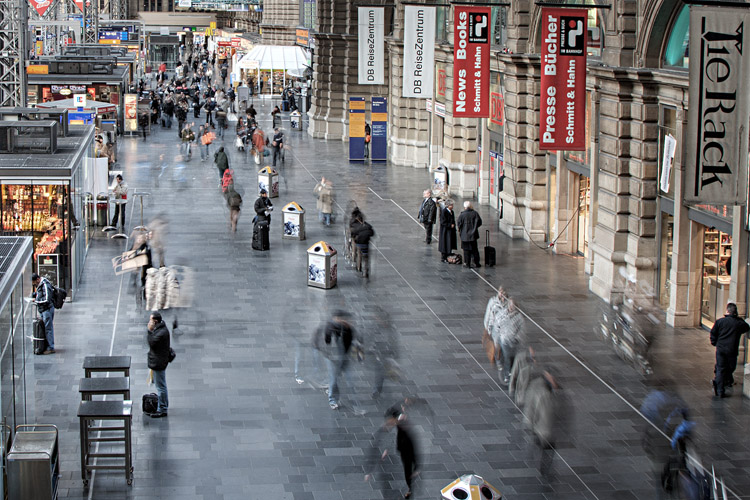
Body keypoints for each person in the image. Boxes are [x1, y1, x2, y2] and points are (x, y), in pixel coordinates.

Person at [365, 406, 419, 498]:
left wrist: (417, 466)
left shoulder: (403, 429)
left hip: (399, 466)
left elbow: (411, 447)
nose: (388, 422)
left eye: (390, 420)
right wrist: (369, 470)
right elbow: (373, 449)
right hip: (390, 468)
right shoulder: (384, 431)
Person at [313, 310, 362, 411]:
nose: (345, 321)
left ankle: (356, 404)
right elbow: (326, 342)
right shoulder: (330, 327)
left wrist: (358, 356)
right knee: (334, 379)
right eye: (341, 319)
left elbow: (356, 341)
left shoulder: (349, 328)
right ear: (336, 319)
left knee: (349, 379)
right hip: (333, 358)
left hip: (345, 356)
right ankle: (333, 400)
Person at [710, 302, 749, 397]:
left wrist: (715, 343)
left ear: (727, 311)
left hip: (721, 349)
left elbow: (713, 333)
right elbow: (746, 327)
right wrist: (738, 317)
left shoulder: (720, 322)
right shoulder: (738, 323)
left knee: (721, 368)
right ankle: (721, 385)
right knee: (730, 367)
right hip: (732, 350)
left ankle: (719, 388)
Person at [146, 312, 171, 418]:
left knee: (160, 386)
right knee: (161, 384)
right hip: (158, 360)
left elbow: (151, 342)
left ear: (155, 321)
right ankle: (164, 404)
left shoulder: (161, 332)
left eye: (151, 320)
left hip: (158, 362)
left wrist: (149, 331)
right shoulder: (161, 329)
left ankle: (162, 408)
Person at [31, 273, 55, 354]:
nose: (34, 284)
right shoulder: (40, 285)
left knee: (48, 328)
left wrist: (36, 301)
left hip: (47, 310)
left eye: (35, 283)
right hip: (43, 310)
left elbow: (47, 299)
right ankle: (47, 346)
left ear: (38, 279)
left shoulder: (45, 284)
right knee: (46, 328)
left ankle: (50, 347)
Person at [456, 201, 482, 268]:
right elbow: (479, 222)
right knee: (475, 250)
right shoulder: (475, 213)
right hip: (473, 235)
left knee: (466, 250)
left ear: (464, 207)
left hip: (465, 235)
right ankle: (477, 263)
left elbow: (459, 224)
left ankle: (467, 263)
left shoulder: (462, 215)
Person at [350, 211, 374, 278]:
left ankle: (359, 267)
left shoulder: (356, 227)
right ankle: (366, 271)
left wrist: (354, 239)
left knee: (359, 256)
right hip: (366, 244)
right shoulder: (368, 226)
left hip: (359, 244)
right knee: (366, 258)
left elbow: (353, 234)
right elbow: (372, 233)